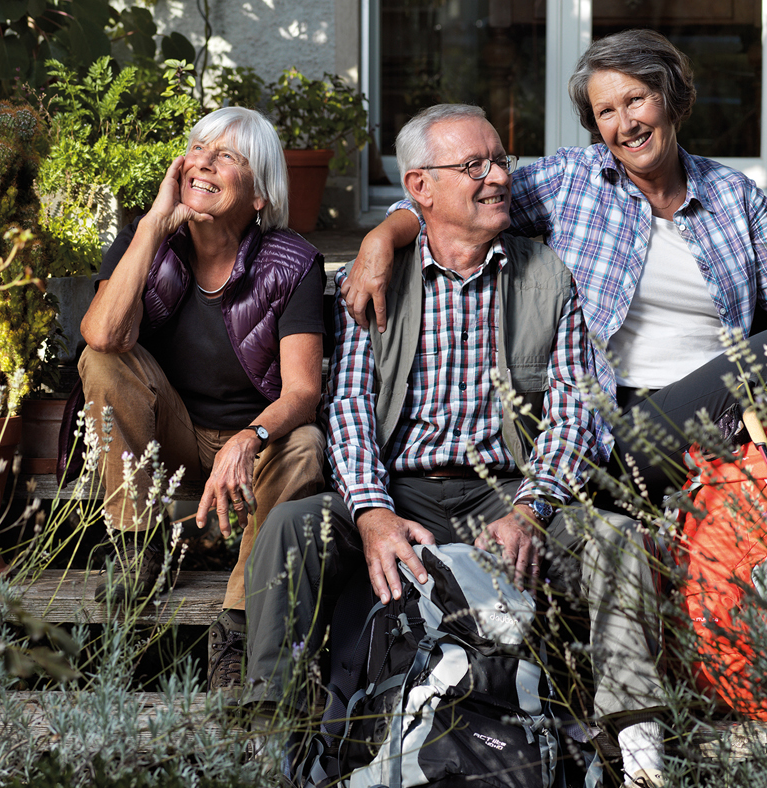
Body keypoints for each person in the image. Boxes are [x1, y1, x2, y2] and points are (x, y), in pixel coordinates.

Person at [235, 104, 669, 786]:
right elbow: (346, 405)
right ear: (421, 188)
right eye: (474, 166)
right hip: (403, 495)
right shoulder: (378, 279)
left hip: (504, 491)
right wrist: (371, 513)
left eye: (500, 161)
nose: (499, 177)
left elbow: (572, 411)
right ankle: (275, 739)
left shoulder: (545, 274)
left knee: (614, 540)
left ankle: (640, 750)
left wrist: (532, 508)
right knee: (293, 527)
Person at [346, 29, 767, 492]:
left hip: (726, 404)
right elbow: (450, 197)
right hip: (615, 428)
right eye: (605, 112)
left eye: (635, 100)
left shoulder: (732, 195)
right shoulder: (573, 182)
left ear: (671, 97)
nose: (623, 124)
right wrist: (383, 236)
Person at [78, 108, 327, 652]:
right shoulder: (145, 241)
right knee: (103, 361)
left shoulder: (292, 263)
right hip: (169, 438)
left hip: (251, 452)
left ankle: (239, 620)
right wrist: (150, 227)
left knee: (306, 446)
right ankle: (137, 543)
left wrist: (248, 438)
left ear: (259, 195)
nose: (203, 163)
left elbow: (304, 392)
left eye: (227, 156)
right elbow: (101, 336)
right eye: (197, 149)